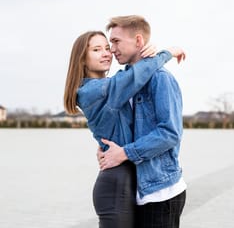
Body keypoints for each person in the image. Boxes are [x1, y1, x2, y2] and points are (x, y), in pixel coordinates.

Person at [63, 29, 185, 228]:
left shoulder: (111, 86)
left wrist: (148, 52)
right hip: (115, 184)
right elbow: (135, 76)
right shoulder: (94, 91)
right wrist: (168, 52)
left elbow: (133, 75)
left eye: (106, 47)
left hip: (128, 181)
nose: (106, 53)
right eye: (96, 49)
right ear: (82, 60)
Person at [98, 15, 187, 228]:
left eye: (116, 41)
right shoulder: (123, 80)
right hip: (133, 192)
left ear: (138, 41)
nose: (111, 49)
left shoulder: (161, 79)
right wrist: (104, 148)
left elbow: (170, 133)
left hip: (161, 194)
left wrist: (125, 153)